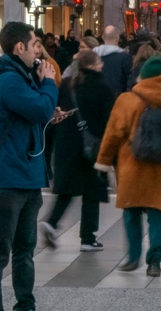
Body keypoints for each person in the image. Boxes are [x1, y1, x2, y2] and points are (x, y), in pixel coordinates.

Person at [0, 22, 59, 311]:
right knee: (0, 249)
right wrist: (49, 86)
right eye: (34, 43)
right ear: (19, 48)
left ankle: (25, 310)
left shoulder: (18, 77)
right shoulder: (9, 79)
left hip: (25, 175)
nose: (38, 49)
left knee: (25, 249)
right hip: (7, 177)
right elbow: (38, 109)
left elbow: (33, 114)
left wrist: (49, 107)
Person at [95, 55, 161, 276]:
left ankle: (133, 257)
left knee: (131, 212)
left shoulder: (127, 100)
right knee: (158, 215)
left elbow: (112, 135)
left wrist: (103, 162)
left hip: (132, 165)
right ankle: (155, 260)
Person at [42, 49, 115, 250]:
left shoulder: (67, 84)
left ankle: (51, 222)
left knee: (68, 188)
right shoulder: (101, 86)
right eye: (99, 62)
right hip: (91, 147)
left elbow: (54, 112)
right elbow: (109, 119)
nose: (102, 65)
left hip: (66, 144)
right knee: (92, 190)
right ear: (92, 65)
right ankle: (88, 238)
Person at [95, 25, 132, 96]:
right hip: (118, 98)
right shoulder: (124, 57)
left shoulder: (93, 55)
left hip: (97, 98)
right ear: (117, 38)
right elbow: (129, 79)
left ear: (103, 37)